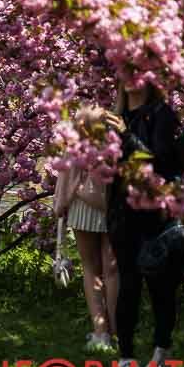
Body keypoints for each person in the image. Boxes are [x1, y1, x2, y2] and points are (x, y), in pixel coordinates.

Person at [102, 81, 184, 367]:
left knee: (160, 288)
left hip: (156, 216)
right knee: (128, 284)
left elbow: (159, 163)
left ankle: (159, 358)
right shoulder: (117, 116)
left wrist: (125, 135)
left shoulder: (162, 115)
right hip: (123, 215)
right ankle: (125, 361)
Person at [54, 108, 119, 354]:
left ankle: (101, 332)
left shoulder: (74, 144)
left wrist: (61, 204)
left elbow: (65, 178)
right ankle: (114, 330)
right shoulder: (115, 142)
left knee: (91, 268)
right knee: (112, 269)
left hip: (82, 204)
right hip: (111, 207)